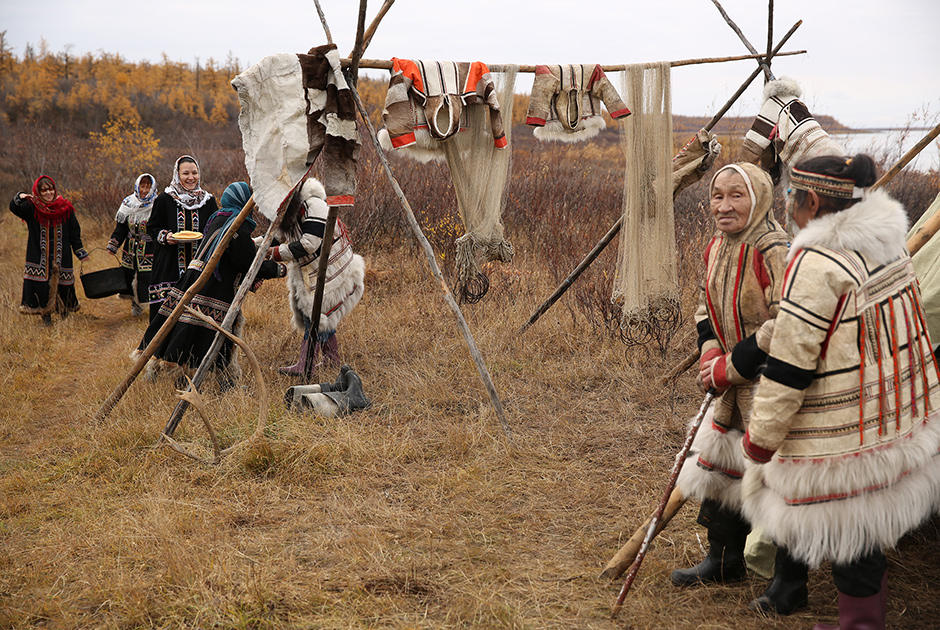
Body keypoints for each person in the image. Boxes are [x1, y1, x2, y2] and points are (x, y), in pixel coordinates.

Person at [741, 154, 940, 630]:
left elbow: (790, 365)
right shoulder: (888, 244)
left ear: (811, 201)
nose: (788, 204)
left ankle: (859, 624)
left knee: (850, 530)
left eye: (791, 195)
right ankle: (805, 597)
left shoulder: (817, 262)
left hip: (840, 429)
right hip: (888, 418)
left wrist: (761, 438)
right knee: (855, 523)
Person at [671, 163, 798, 609]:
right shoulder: (718, 246)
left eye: (735, 196)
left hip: (773, 384)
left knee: (781, 478)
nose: (723, 206)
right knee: (724, 465)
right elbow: (704, 306)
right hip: (729, 383)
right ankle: (723, 559)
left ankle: (790, 583)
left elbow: (789, 320)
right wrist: (709, 352)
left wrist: (735, 364)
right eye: (717, 196)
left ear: (759, 197)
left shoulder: (775, 249)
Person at [138, 182, 285, 385]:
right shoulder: (236, 228)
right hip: (213, 289)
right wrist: (281, 269)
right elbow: (248, 264)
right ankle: (215, 380)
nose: (255, 208)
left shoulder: (219, 218)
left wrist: (266, 243)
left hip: (195, 279)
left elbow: (237, 249)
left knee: (185, 328)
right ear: (244, 203)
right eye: (252, 203)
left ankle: (185, 375)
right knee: (214, 333)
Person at [269, 178, 365, 376]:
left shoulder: (314, 205)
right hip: (316, 271)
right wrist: (255, 245)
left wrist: (273, 253)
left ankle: (306, 365)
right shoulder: (291, 212)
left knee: (315, 314)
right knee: (315, 314)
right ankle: (330, 360)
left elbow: (309, 244)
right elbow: (275, 238)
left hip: (337, 271)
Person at [9, 175, 89, 325]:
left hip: (62, 255)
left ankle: (64, 312)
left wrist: (80, 252)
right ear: (38, 192)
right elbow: (14, 208)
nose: (48, 193)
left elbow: (74, 232)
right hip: (39, 256)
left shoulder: (65, 208)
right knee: (41, 285)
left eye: (50, 189)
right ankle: (46, 315)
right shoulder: (32, 208)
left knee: (64, 284)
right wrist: (20, 196)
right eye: (44, 190)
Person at [147, 155, 218, 321]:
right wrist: (165, 236)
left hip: (199, 263)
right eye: (186, 173)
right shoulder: (165, 199)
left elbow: (215, 228)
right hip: (169, 263)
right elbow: (152, 227)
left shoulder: (208, 201)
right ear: (177, 175)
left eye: (195, 173)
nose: (191, 177)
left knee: (197, 313)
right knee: (166, 315)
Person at [107, 173, 157, 316]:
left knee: (147, 276)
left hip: (149, 248)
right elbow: (121, 228)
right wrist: (113, 245)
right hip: (130, 247)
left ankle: (146, 304)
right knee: (129, 275)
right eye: (142, 186)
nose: (145, 190)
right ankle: (134, 304)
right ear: (137, 186)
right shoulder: (128, 203)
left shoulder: (157, 204)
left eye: (148, 186)